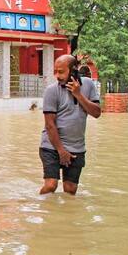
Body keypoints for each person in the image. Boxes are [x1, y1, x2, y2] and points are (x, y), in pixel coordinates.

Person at [39, 55, 101, 195]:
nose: (57, 76)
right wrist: (61, 151)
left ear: (73, 70)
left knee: (70, 189)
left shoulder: (89, 85)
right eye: (55, 71)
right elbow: (50, 125)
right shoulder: (51, 91)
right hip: (51, 147)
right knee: (50, 186)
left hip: (77, 147)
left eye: (61, 71)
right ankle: (41, 210)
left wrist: (78, 95)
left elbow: (96, 113)